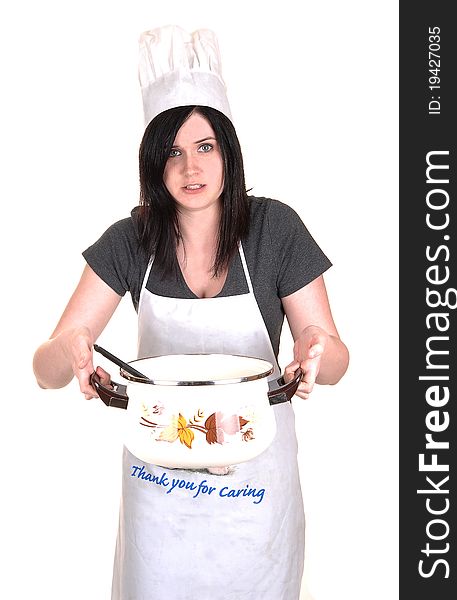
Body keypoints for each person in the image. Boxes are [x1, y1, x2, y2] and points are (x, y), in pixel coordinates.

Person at [33, 25, 349, 600]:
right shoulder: (132, 239)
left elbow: (332, 355)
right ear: (154, 164)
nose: (190, 167)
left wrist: (314, 354)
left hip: (256, 500)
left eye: (205, 147)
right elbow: (45, 368)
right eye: (172, 153)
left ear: (228, 151)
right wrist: (71, 349)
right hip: (160, 503)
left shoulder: (274, 229)